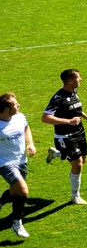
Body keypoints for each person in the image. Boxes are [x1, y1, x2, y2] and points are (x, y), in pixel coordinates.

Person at [42, 69, 87, 205]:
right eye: (78, 78)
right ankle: (75, 196)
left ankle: (56, 153)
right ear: (71, 81)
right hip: (65, 136)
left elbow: (74, 108)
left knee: (83, 160)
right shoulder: (58, 98)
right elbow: (45, 118)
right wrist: (68, 121)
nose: (81, 79)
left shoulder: (73, 92)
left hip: (80, 133)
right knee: (77, 164)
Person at [1, 93, 37, 238]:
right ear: (6, 108)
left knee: (15, 192)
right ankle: (17, 224)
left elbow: (26, 128)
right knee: (23, 190)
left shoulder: (19, 117)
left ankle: (1, 201)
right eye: (15, 104)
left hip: (21, 160)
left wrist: (30, 143)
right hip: (4, 163)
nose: (19, 106)